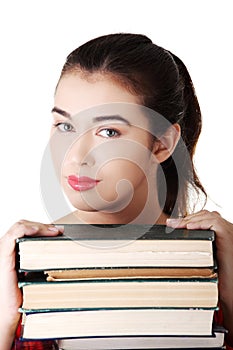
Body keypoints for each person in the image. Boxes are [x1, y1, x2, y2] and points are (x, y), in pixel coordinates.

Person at [0, 33, 232, 349]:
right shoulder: (19, 264)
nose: (76, 155)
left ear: (162, 142)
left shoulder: (214, 260)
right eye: (65, 126)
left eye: (108, 132)